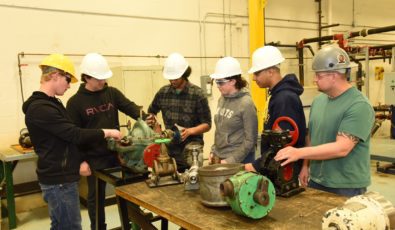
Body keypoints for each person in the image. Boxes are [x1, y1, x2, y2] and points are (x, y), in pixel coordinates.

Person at [22, 53, 122, 230]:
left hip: (63, 178)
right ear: (54, 76)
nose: (69, 86)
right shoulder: (41, 108)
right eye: (68, 80)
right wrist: (107, 132)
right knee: (69, 226)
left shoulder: (52, 103)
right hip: (58, 181)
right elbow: (74, 134)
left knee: (62, 225)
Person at [274, 45, 375, 197]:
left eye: (318, 76)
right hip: (317, 180)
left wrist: (298, 153)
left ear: (334, 75)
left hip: (345, 185)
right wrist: (305, 166)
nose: (314, 80)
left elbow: (342, 148)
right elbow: (311, 137)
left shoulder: (358, 105)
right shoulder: (319, 101)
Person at [66, 53, 143, 230]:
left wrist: (146, 118)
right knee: (96, 198)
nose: (103, 82)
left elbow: (131, 108)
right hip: (93, 157)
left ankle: (135, 223)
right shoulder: (75, 103)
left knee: (131, 190)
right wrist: (81, 161)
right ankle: (98, 227)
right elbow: (73, 137)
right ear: (86, 77)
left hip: (118, 153)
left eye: (104, 78)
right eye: (98, 78)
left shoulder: (112, 93)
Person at [244, 45, 306, 175]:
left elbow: (282, 143)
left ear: (271, 71)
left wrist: (257, 165)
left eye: (257, 73)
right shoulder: (275, 95)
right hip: (275, 166)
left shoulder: (284, 99)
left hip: (284, 169)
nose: (254, 78)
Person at [147, 52, 211, 171]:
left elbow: (207, 125)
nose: (172, 81)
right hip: (169, 149)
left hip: (192, 148)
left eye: (176, 78)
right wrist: (155, 126)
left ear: (184, 74)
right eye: (170, 78)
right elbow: (151, 112)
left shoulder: (197, 94)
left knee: (192, 181)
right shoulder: (163, 93)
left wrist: (190, 131)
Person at [209, 57, 257, 164]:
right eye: (216, 82)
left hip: (240, 160)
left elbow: (250, 140)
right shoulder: (222, 99)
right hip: (221, 157)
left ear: (233, 81)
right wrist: (213, 151)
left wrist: (230, 161)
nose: (217, 86)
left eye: (220, 82)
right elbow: (219, 130)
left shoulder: (246, 103)